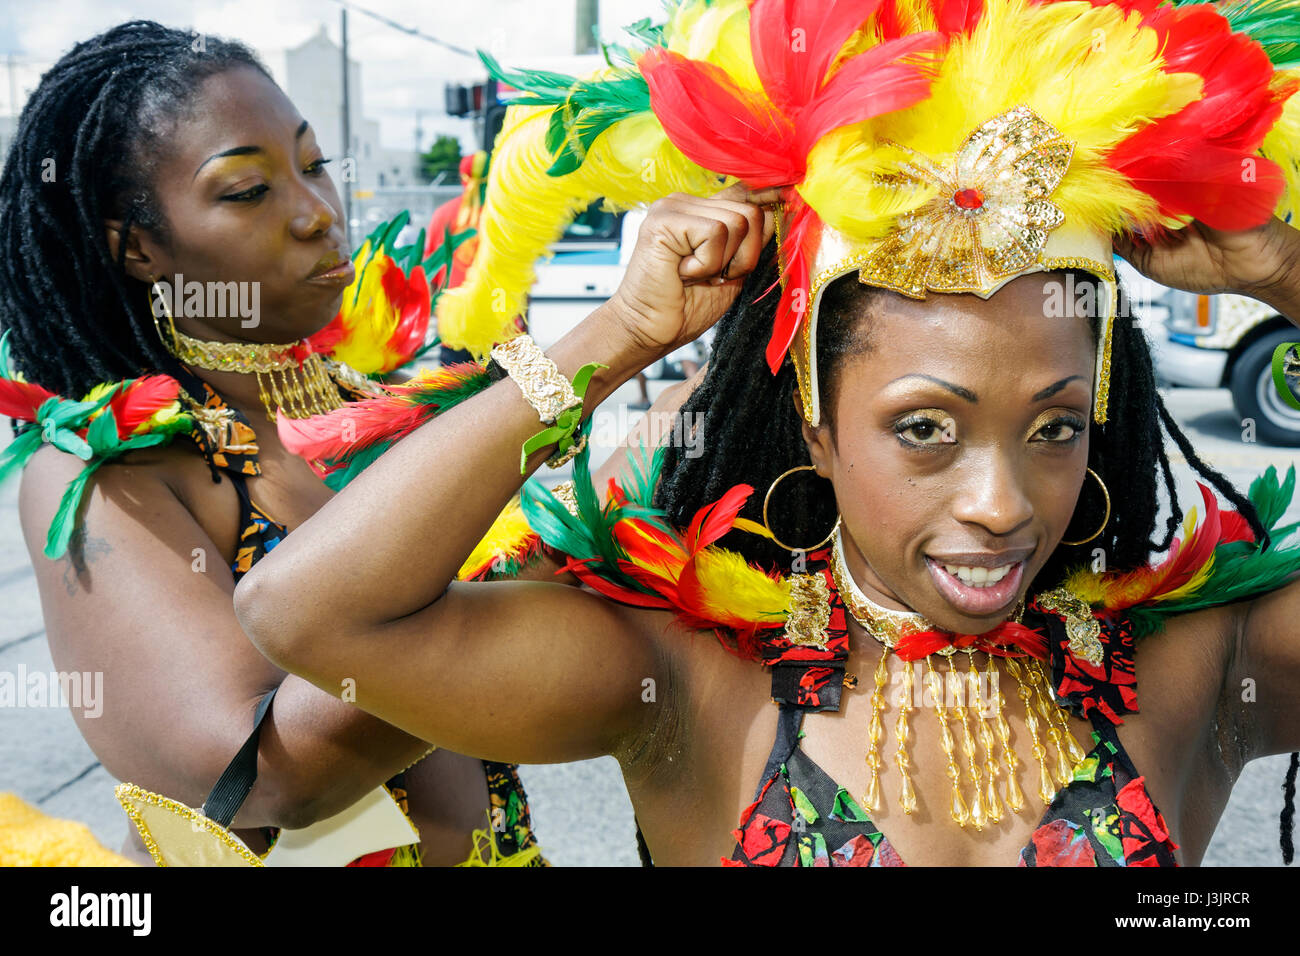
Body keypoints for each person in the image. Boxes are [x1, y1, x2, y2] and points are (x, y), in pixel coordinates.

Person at [236, 0, 1300, 866]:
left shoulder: (1189, 673)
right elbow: (311, 610)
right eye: (925, 427)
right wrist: (620, 332)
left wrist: (1283, 271)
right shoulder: (691, 684)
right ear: (818, 426)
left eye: (1055, 426)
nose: (1002, 501)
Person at [0, 21, 548, 866]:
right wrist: (585, 374)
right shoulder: (106, 474)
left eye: (315, 164)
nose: (317, 213)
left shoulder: (375, 410)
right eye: (249, 190)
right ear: (139, 245)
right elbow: (265, 776)